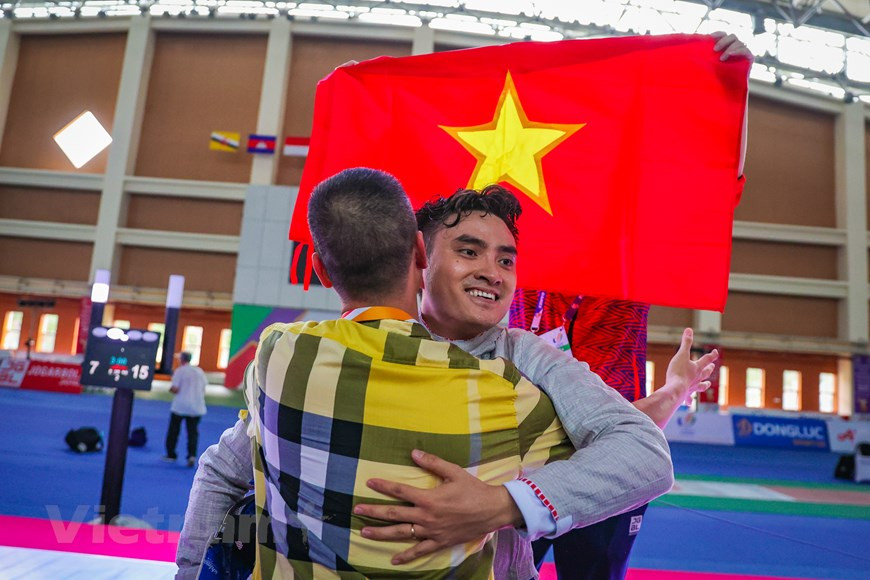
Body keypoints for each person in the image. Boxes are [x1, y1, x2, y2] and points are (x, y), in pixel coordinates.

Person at [237, 167, 672, 578]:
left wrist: (504, 504)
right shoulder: (336, 352)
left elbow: (644, 454)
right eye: (468, 251)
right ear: (421, 257)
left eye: (506, 261)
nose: (491, 272)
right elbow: (225, 469)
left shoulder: (531, 359)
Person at [164, 351, 208, 468]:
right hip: (196, 407)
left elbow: (175, 389)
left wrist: (170, 389)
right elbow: (204, 387)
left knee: (173, 431)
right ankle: (191, 456)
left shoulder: (179, 371)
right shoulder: (199, 371)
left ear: (181, 360)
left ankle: (171, 454)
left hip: (180, 406)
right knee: (193, 433)